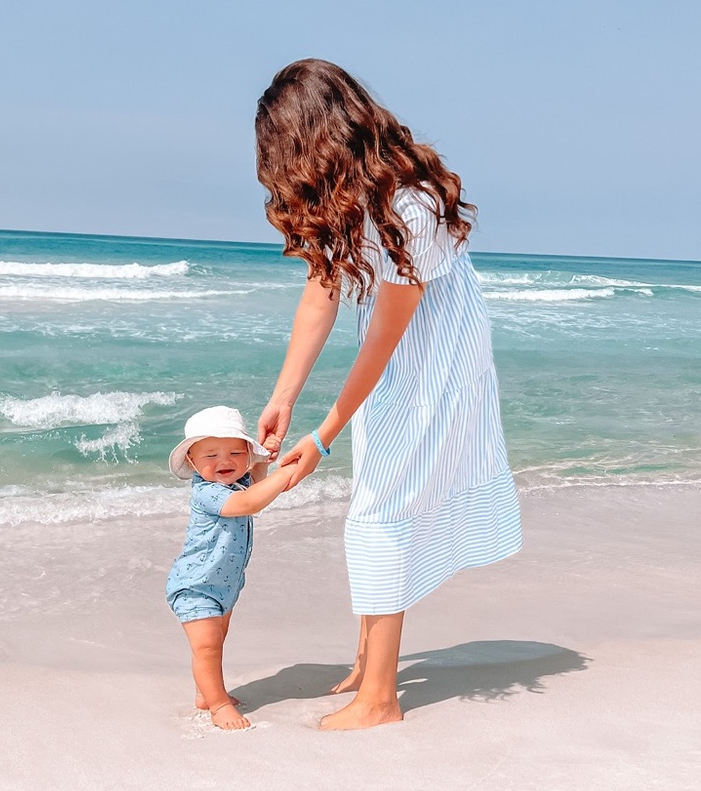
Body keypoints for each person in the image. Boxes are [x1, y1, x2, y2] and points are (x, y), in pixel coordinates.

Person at [255, 59, 523, 731]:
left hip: (437, 365)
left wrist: (321, 436)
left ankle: (381, 697)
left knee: (382, 509)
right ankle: (370, 659)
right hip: (403, 359)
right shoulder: (350, 195)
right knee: (378, 496)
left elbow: (386, 336)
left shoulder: (409, 202)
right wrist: (286, 395)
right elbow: (321, 291)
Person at [166, 406, 296, 730]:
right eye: (211, 455)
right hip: (195, 585)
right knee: (207, 644)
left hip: (224, 586)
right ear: (193, 462)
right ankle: (218, 704)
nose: (224, 461)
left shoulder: (239, 482)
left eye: (236, 452)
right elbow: (249, 503)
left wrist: (265, 459)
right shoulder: (207, 492)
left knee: (214, 642)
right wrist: (285, 476)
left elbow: (255, 484)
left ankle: (204, 692)